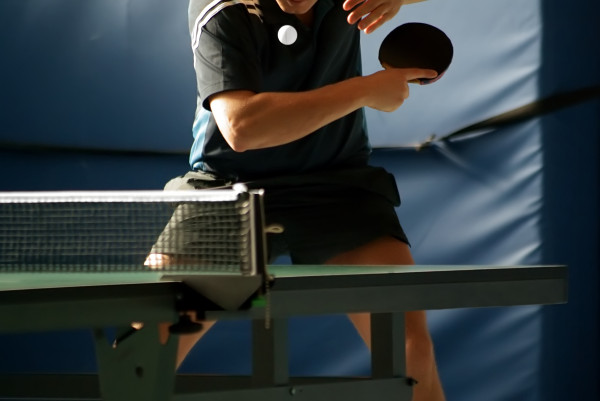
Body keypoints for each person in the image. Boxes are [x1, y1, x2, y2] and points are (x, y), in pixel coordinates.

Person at [146, 0, 445, 399]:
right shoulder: (223, 9)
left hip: (336, 188)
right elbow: (242, 126)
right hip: (231, 191)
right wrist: (364, 90)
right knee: (144, 346)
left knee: (411, 352)